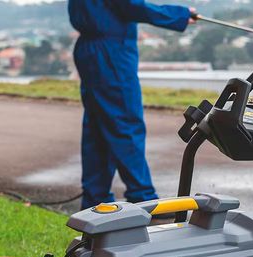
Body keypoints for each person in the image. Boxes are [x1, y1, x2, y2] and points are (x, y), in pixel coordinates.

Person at [68, 0, 195, 209]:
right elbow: (130, 5)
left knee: (98, 126)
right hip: (111, 52)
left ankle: (95, 199)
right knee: (124, 122)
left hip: (90, 48)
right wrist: (178, 15)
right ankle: (143, 196)